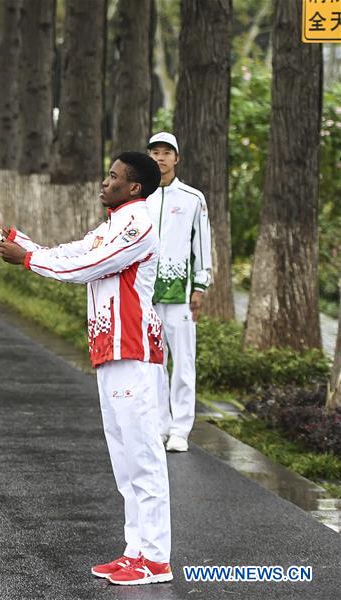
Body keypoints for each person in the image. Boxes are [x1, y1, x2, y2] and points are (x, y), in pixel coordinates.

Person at [0, 152, 173, 586]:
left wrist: (25, 260)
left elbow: (86, 268)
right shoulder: (113, 223)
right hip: (109, 349)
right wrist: (11, 236)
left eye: (113, 177)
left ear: (134, 187)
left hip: (134, 349)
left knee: (143, 458)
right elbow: (67, 252)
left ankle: (157, 559)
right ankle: (135, 550)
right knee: (124, 461)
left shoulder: (137, 224)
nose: (105, 182)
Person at [146, 132, 212, 453]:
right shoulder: (139, 197)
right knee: (154, 362)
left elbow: (202, 245)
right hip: (146, 295)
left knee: (184, 363)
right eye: (155, 152)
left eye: (166, 153)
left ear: (176, 158)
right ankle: (159, 425)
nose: (160, 158)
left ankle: (181, 429)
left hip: (182, 294)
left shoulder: (192, 198)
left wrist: (200, 286)